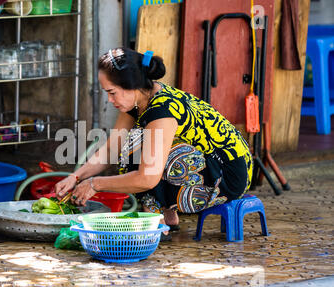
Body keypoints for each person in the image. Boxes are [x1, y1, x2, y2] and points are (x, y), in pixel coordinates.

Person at [55, 47, 253, 238]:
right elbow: (112, 149)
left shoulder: (162, 111)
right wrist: (76, 177)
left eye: (112, 92)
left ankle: (155, 217)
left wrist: (95, 184)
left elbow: (147, 178)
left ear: (132, 86)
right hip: (207, 162)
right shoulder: (139, 100)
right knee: (133, 145)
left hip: (228, 174)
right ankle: (166, 214)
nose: (109, 100)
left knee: (139, 147)